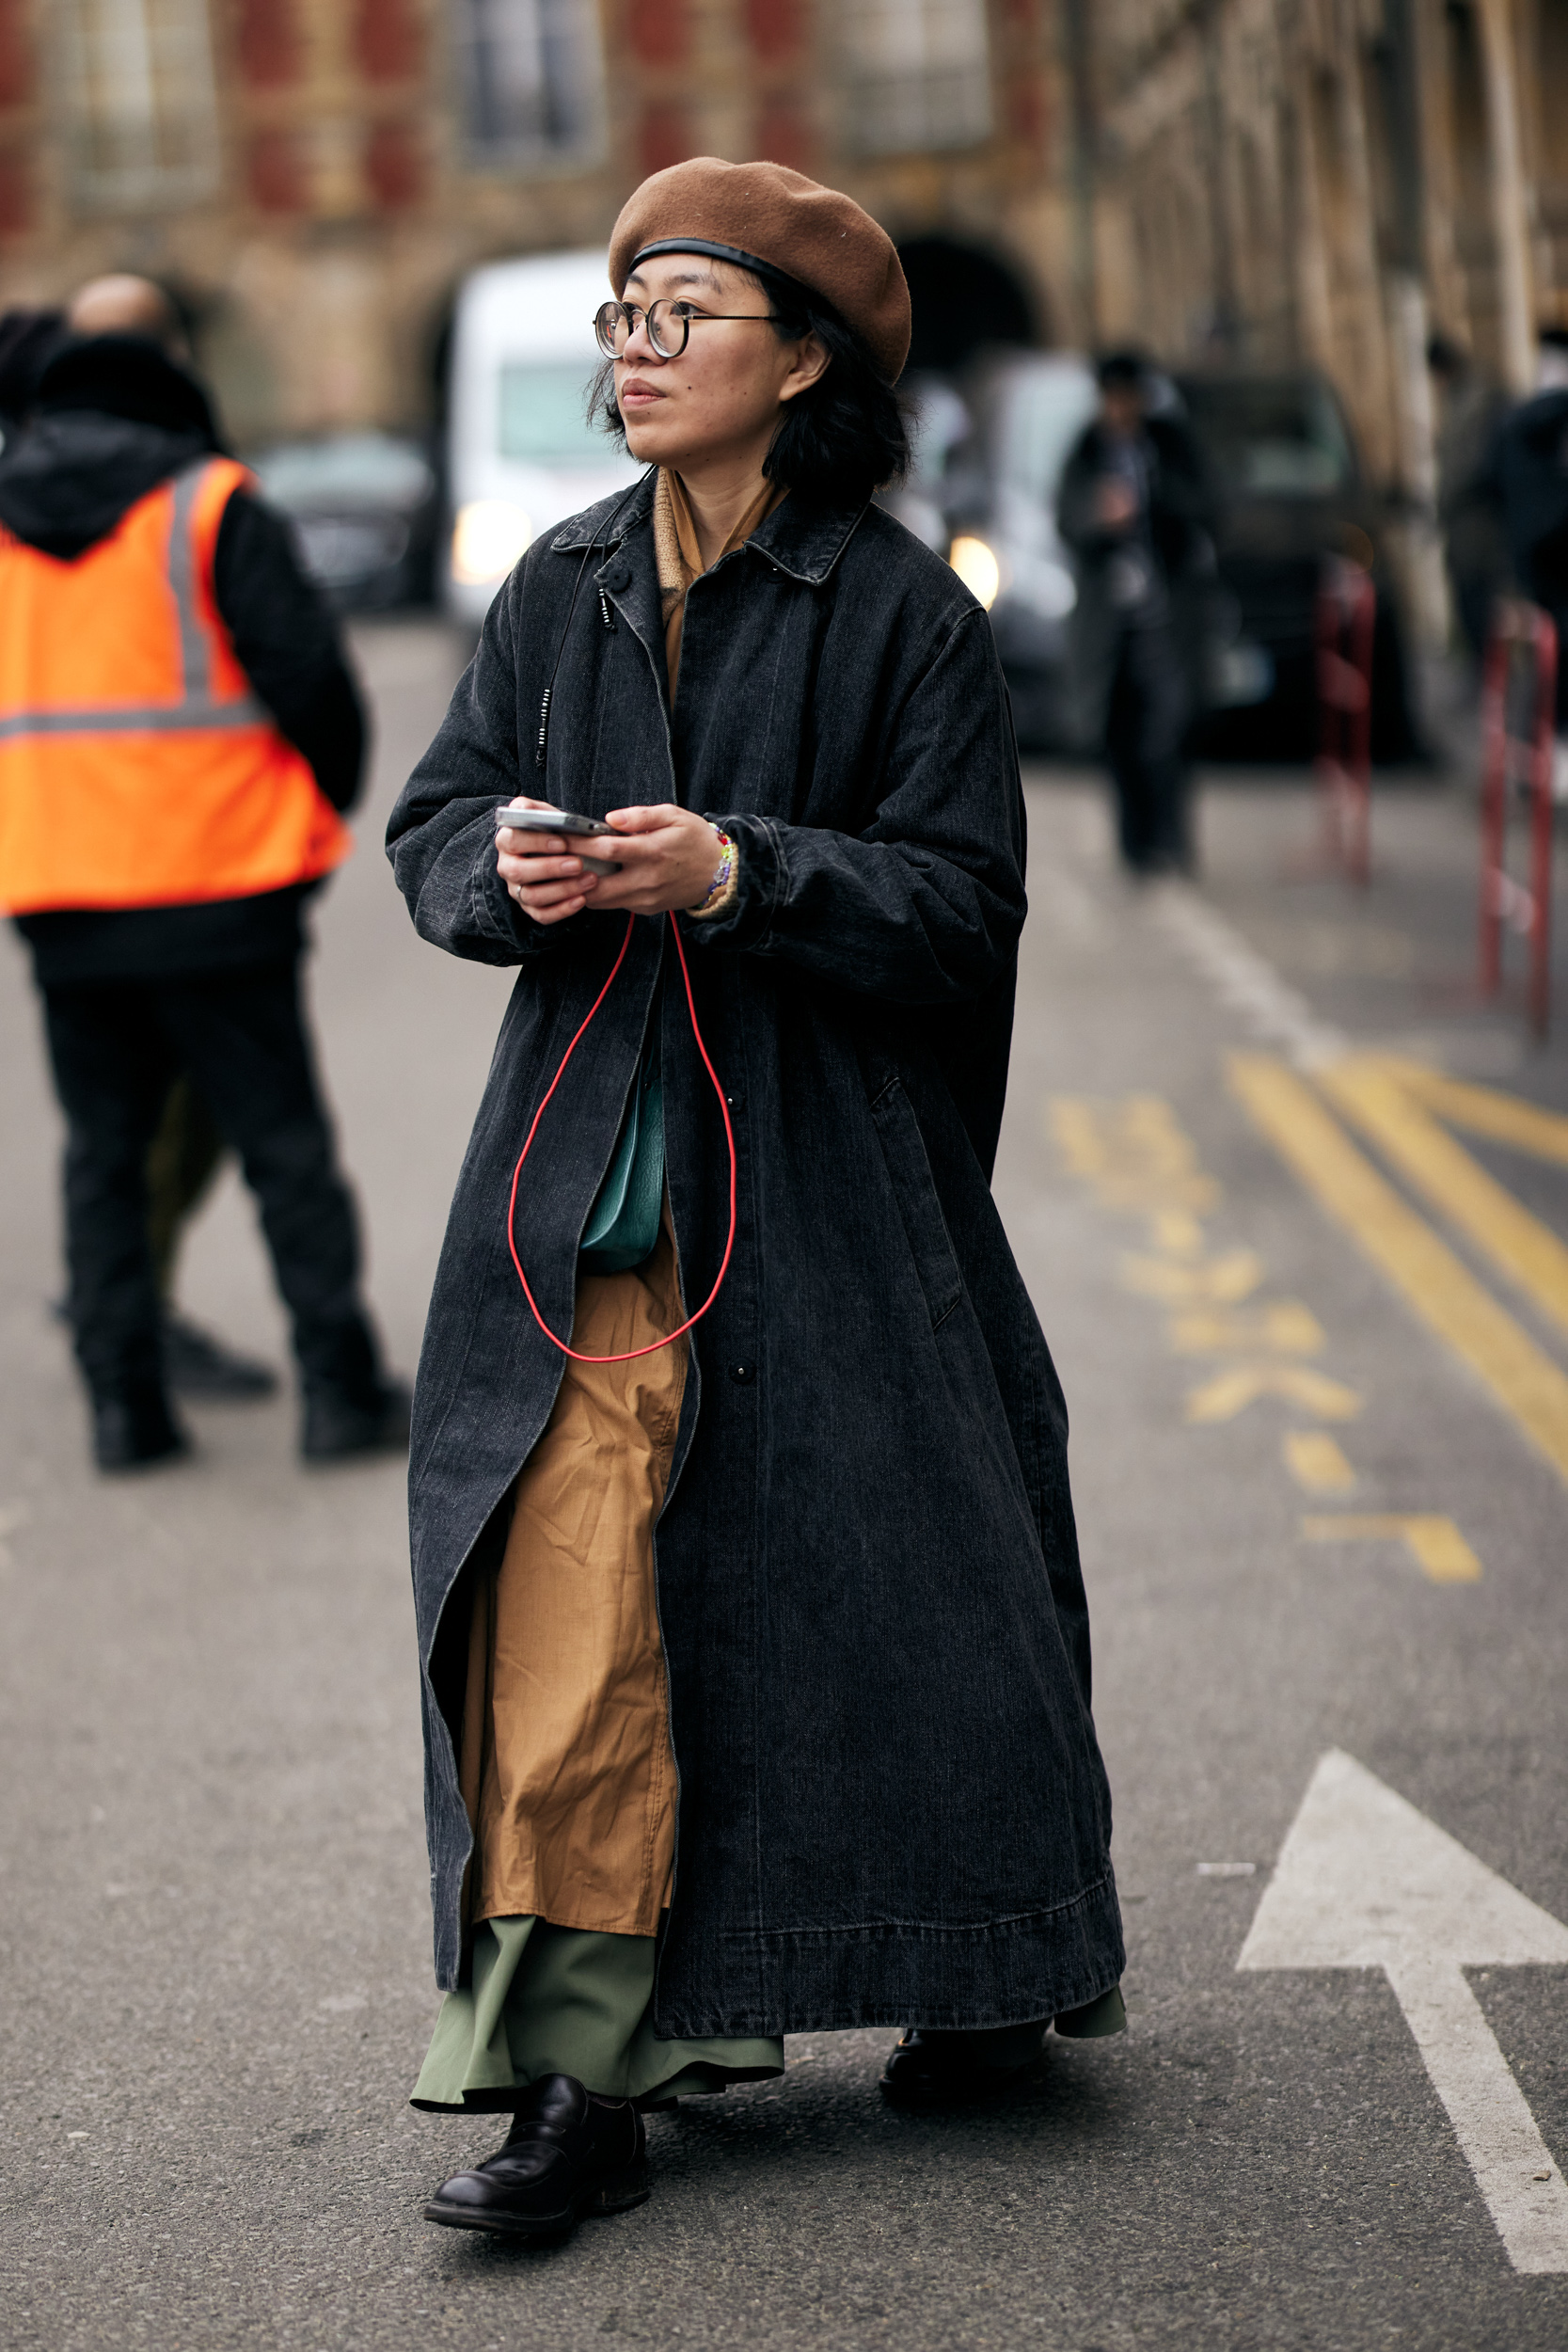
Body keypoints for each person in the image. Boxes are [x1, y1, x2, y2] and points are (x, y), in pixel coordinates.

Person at [387, 158, 1125, 2246]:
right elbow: (431, 816)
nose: (631, 349)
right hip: (581, 1183)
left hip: (838, 1184)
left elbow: (962, 905)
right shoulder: (556, 582)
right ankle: (576, 2060)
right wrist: (495, 870)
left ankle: (984, 1963)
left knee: (914, 1585)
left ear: (799, 362)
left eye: (674, 314)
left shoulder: (905, 614)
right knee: (566, 1596)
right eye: (620, 317)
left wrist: (743, 871)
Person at [0, 276, 408, 1468]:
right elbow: (313, 686)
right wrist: (318, 802)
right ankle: (337, 1393)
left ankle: (125, 1412)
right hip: (224, 882)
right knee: (282, 1143)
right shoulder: (209, 504)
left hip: (63, 892)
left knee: (102, 1157)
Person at [1058, 351, 1212, 875]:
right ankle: (1134, 844)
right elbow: (1066, 516)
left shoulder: (1170, 446)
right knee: (1119, 732)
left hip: (1166, 616)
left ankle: (1172, 837)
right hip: (1111, 622)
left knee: (1171, 726)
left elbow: (1208, 507)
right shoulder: (1085, 450)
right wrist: (1100, 517)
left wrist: (1151, 500)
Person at [1494, 326, 1568, 734]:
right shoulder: (1545, 419)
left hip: (1532, 552)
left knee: (1541, 660)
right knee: (1550, 657)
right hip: (1549, 553)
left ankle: (1537, 748)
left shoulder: (1516, 421)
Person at [1426, 333, 1511, 668]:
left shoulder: (1480, 399)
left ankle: (1493, 681)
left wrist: (1449, 497)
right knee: (1468, 608)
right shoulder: (1457, 401)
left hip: (1479, 529)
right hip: (1461, 531)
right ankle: (1483, 678)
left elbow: (1475, 465)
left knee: (1484, 613)